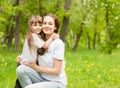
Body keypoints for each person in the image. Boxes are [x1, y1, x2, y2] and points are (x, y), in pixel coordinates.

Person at [16, 14, 67, 88]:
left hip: (57, 83)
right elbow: (33, 56)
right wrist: (22, 58)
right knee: (20, 69)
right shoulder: (40, 41)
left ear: (55, 27)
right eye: (44, 23)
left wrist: (36, 67)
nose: (46, 25)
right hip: (42, 79)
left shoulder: (58, 43)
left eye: (50, 24)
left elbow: (57, 71)